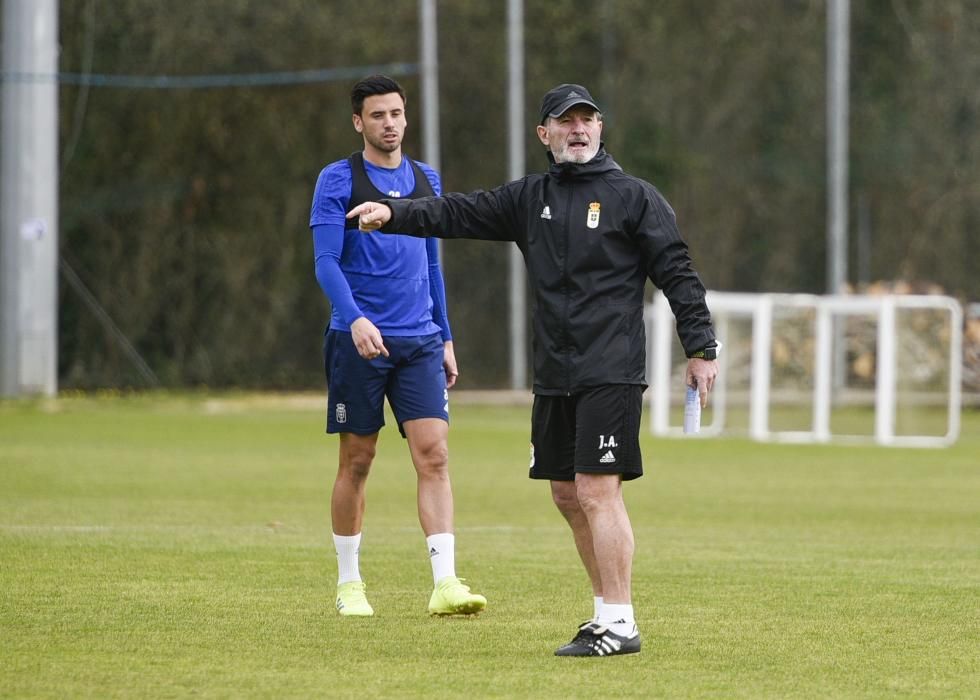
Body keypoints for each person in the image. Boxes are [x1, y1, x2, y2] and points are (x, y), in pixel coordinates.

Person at [348, 83, 720, 655]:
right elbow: (457, 211)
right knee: (568, 495)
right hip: (554, 373)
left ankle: (622, 622)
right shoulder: (530, 198)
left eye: (587, 120)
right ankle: (603, 615)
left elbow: (678, 272)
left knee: (598, 491)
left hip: (611, 368)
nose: (578, 129)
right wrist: (393, 213)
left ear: (600, 130)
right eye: (565, 121)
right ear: (544, 135)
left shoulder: (635, 197)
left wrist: (701, 347)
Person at [309, 74, 486, 618]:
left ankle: (445, 583)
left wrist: (447, 334)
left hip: (421, 342)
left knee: (434, 454)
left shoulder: (426, 178)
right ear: (358, 122)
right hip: (357, 342)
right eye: (378, 115)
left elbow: (431, 263)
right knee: (358, 460)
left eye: (397, 114)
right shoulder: (338, 179)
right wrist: (355, 318)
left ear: (407, 118)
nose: (390, 123)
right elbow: (325, 262)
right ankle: (349, 583)